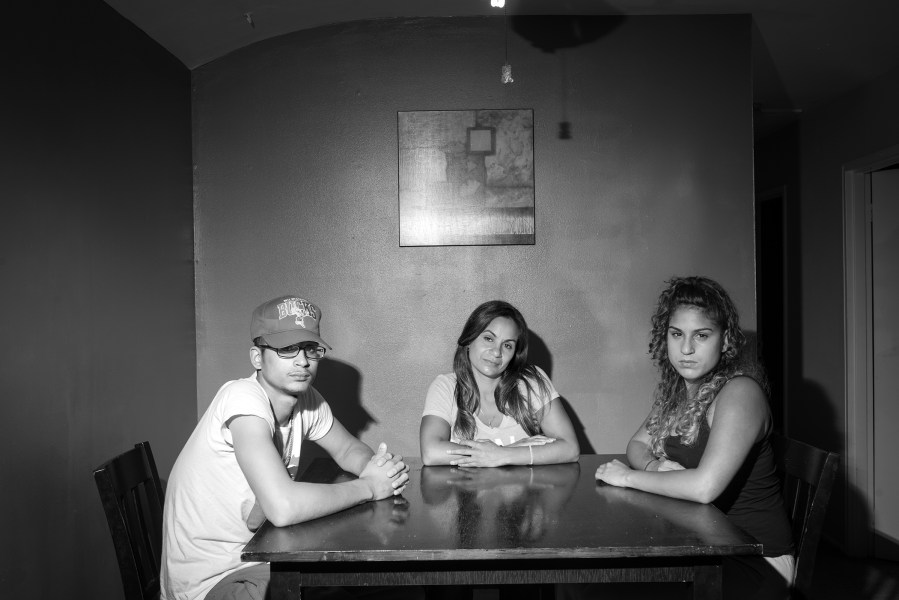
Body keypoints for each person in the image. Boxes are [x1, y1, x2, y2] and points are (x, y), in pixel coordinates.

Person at [161, 295, 410, 600]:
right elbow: (282, 507)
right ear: (257, 358)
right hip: (214, 580)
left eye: (310, 349)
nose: (302, 361)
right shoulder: (242, 399)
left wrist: (378, 469)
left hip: (263, 556)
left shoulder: (306, 400)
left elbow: (347, 450)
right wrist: (371, 487)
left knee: (382, 582)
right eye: (286, 349)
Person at [594, 276, 794, 600]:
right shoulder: (680, 393)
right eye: (677, 334)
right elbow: (637, 444)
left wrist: (629, 478)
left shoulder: (741, 392)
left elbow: (703, 488)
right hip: (702, 544)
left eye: (701, 335)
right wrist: (655, 469)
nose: (686, 349)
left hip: (754, 559)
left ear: (725, 339)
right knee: (590, 583)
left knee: (600, 591)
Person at [420, 300, 579, 467]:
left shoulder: (532, 381)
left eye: (508, 345)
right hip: (467, 493)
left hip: (525, 492)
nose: (497, 352)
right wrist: (504, 451)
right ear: (469, 340)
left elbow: (570, 448)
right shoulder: (445, 386)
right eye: (488, 338)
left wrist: (503, 455)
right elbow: (431, 452)